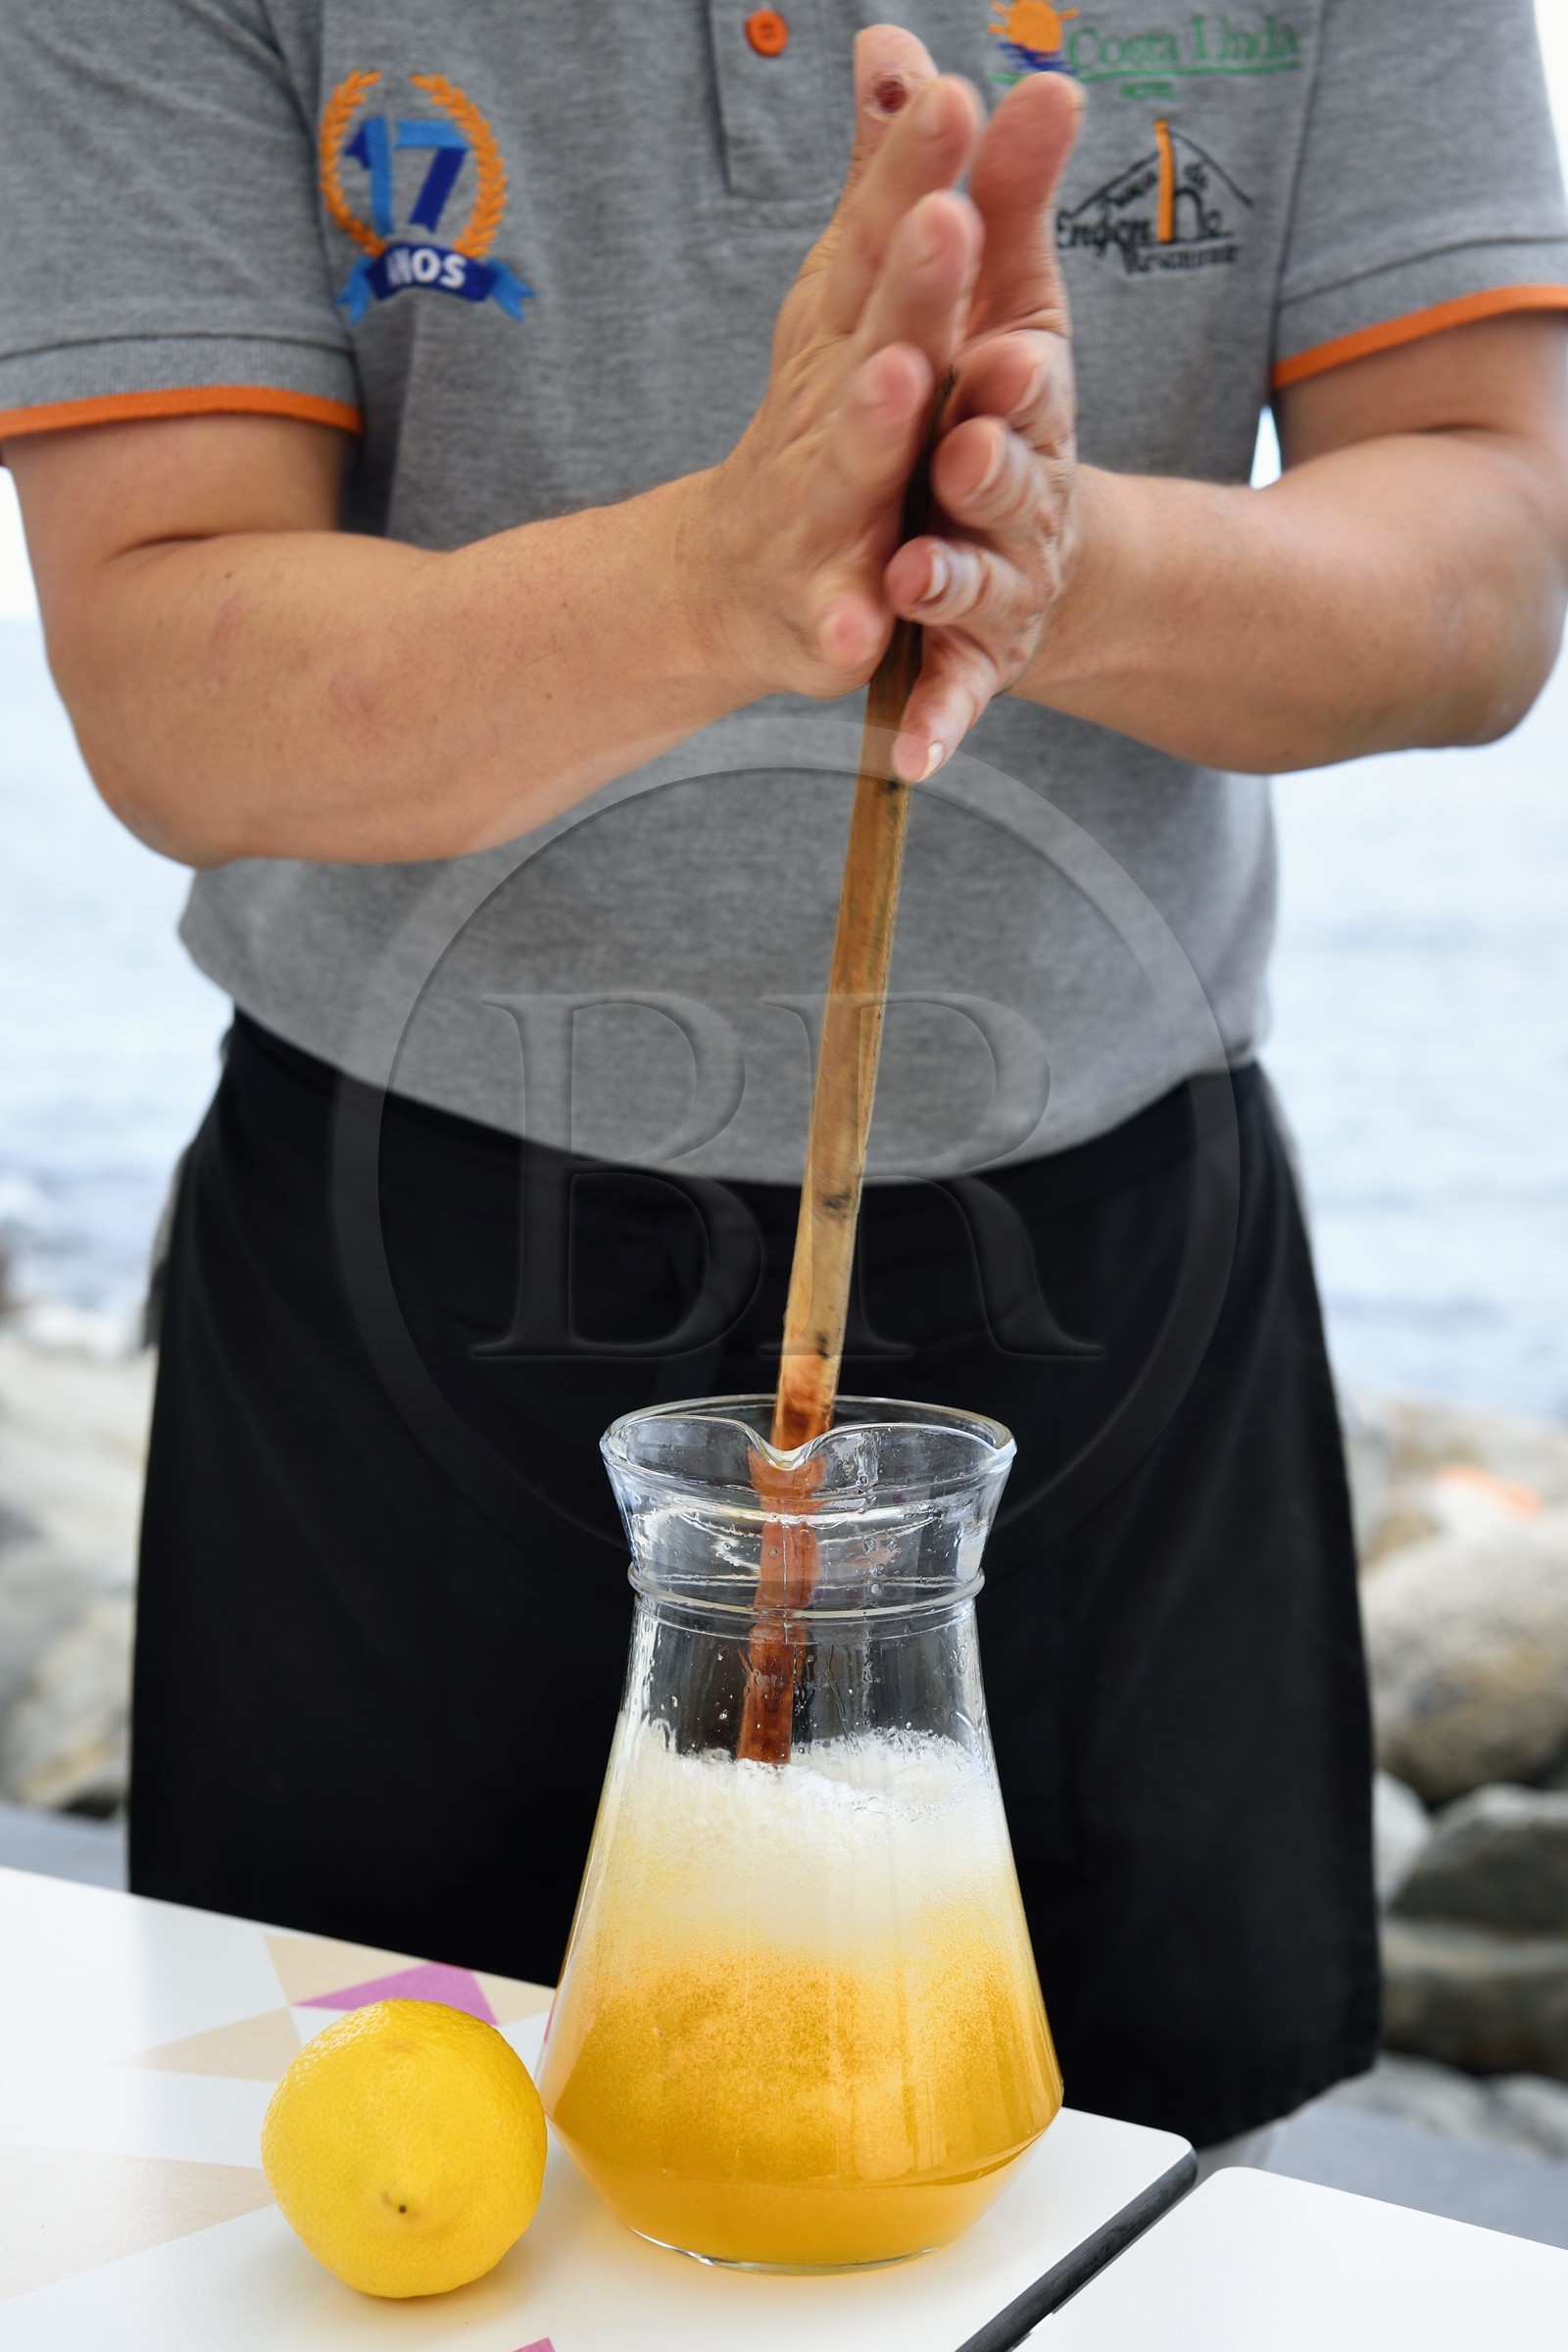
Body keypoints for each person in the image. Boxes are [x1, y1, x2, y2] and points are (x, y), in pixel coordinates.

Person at [2, 5, 1566, 2155]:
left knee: (1112, 2216)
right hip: (402, 1278)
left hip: (1104, 1262)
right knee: (380, 2186)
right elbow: (169, 681)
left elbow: (1485, 553)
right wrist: (719, 576)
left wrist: (1057, 558)